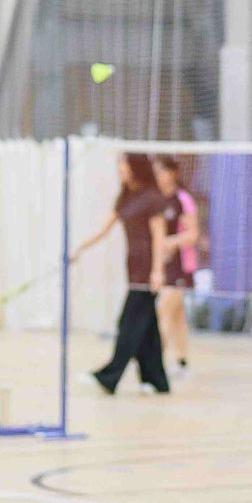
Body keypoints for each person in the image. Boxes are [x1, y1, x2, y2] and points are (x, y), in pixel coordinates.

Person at [74, 151, 171, 395]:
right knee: (147, 328)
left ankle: (109, 376)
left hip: (149, 273)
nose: (121, 171)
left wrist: (158, 271)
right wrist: (78, 249)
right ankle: (156, 381)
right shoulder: (125, 197)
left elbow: (160, 237)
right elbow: (103, 229)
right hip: (133, 268)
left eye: (124, 167)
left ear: (135, 168)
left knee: (129, 323)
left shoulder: (152, 198)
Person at [154, 155, 205, 371]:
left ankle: (155, 365)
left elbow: (193, 235)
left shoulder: (182, 199)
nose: (157, 176)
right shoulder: (158, 199)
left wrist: (169, 242)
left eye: (161, 171)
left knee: (163, 312)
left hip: (181, 265)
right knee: (176, 316)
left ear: (172, 173)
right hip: (165, 264)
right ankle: (182, 361)